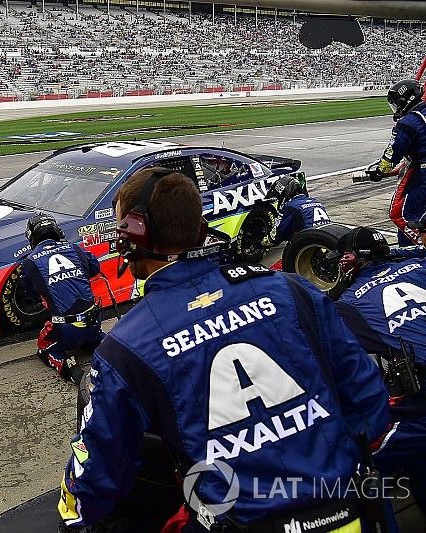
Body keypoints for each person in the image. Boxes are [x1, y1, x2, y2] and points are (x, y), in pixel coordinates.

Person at [58, 167, 390, 532]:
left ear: (133, 235)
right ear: (199, 229)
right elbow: (368, 398)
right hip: (348, 507)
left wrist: (72, 516)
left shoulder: (125, 347)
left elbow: (97, 472)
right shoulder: (292, 290)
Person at [327, 226, 426, 513]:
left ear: (349, 259)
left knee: (348, 467)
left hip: (418, 412)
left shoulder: (347, 306)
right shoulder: (418, 263)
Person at [20, 213, 104, 385]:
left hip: (66, 329)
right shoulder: (74, 248)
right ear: (57, 231)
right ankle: (110, 349)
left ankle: (70, 368)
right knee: (97, 339)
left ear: (32, 236)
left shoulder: (29, 263)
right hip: (94, 320)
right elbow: (95, 267)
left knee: (43, 347)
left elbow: (31, 295)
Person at [366, 79, 426, 246]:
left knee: (399, 214)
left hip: (421, 173)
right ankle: (408, 252)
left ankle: (421, 247)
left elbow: (392, 153)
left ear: (404, 100)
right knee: (422, 215)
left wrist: (379, 170)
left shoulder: (408, 122)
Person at [263, 175, 330, 245]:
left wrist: (268, 241)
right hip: (328, 235)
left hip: (311, 241)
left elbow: (281, 232)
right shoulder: (316, 201)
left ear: (286, 193)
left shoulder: (291, 206)